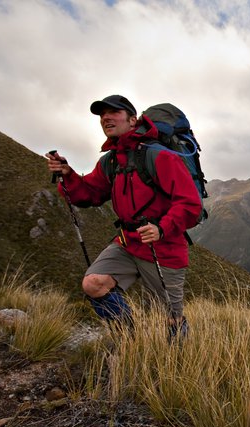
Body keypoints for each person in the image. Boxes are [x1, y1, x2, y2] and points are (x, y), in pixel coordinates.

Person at [46, 94, 202, 338]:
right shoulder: (111, 161)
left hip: (164, 246)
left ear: (132, 120)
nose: (106, 118)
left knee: (169, 318)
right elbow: (89, 194)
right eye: (102, 115)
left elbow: (190, 205)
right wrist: (68, 174)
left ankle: (178, 362)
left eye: (113, 113)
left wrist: (161, 228)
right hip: (128, 243)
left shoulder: (161, 156)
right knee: (93, 283)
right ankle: (131, 338)